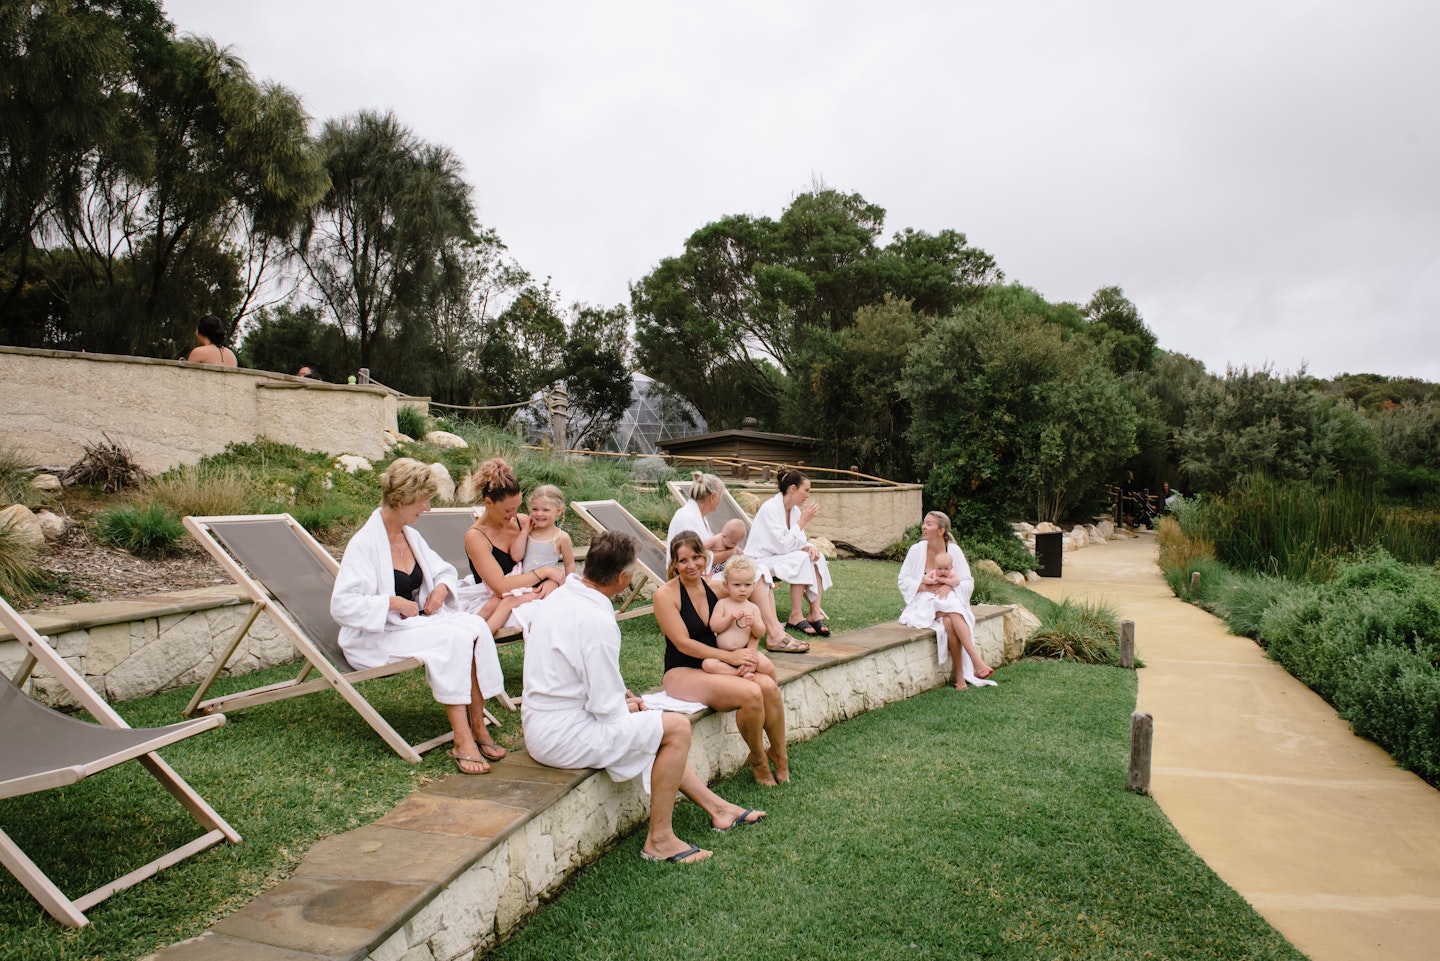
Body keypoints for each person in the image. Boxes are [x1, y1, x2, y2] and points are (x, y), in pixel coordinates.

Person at [522, 531, 766, 864]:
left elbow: (571, 670)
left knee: (652, 723)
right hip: (562, 734)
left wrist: (625, 698)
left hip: (543, 720)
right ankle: (660, 841)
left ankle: (718, 809)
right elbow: (607, 710)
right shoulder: (596, 620)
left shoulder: (562, 597)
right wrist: (626, 706)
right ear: (623, 578)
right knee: (675, 728)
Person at [330, 457, 508, 774]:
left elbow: (443, 571)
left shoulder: (411, 536)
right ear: (401, 502)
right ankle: (462, 739)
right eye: (423, 501)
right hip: (378, 636)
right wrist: (391, 603)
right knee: (454, 637)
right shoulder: (365, 544)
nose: (427, 509)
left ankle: (478, 726)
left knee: (474, 626)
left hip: (411, 626)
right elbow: (342, 605)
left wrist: (440, 588)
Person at [657, 531, 789, 786]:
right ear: (674, 563)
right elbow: (683, 643)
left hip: (720, 663)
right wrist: (732, 656)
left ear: (705, 558)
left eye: (696, 557)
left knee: (768, 686)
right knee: (751, 693)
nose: (691, 565)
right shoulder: (666, 595)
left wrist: (750, 650)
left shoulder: (717, 588)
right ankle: (759, 759)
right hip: (682, 670)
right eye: (683, 560)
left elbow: (752, 617)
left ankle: (779, 753)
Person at [666, 471, 808, 654]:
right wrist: (730, 553)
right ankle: (774, 634)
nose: (720, 501)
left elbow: (702, 555)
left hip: (700, 573)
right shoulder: (687, 517)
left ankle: (774, 630)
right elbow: (693, 561)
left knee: (759, 571)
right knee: (753, 575)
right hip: (690, 580)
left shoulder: (696, 515)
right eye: (721, 497)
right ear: (713, 497)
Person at [461, 458, 565, 633]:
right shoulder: (476, 537)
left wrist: (550, 582)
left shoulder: (522, 522)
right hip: (493, 597)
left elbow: (545, 554)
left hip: (525, 590)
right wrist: (544, 573)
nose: (514, 514)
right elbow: (501, 586)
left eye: (517, 507)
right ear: (488, 503)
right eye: (508, 510)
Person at [898, 510, 996, 691]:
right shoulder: (916, 550)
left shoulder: (954, 551)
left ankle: (960, 676)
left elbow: (967, 581)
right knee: (952, 610)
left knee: (949, 622)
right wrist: (926, 587)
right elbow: (903, 580)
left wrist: (949, 586)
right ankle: (977, 661)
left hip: (947, 601)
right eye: (924, 523)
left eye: (929, 524)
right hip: (923, 602)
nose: (923, 527)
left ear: (941, 530)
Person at [747, 468, 833, 640]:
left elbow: (797, 540)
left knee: (815, 557)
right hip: (760, 559)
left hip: (779, 555)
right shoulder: (770, 509)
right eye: (806, 490)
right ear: (793, 489)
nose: (808, 495)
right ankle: (795, 615)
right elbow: (782, 544)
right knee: (801, 559)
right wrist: (802, 522)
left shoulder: (794, 511)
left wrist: (809, 547)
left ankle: (814, 613)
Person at [703, 557, 775, 681]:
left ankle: (774, 688)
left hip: (745, 652)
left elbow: (760, 633)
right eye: (737, 585)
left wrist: (754, 624)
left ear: (753, 586)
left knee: (767, 665)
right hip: (724, 654)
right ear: (726, 585)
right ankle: (737, 672)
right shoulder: (722, 604)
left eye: (747, 585)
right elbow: (714, 626)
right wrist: (728, 618)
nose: (742, 589)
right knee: (708, 664)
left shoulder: (753, 608)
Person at [504, 484, 574, 600]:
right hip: (524, 582)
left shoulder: (561, 537)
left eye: (545, 510)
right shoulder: (528, 533)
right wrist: (525, 531)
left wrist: (569, 588)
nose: (539, 514)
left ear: (558, 511)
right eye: (535, 509)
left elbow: (569, 564)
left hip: (544, 587)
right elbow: (516, 556)